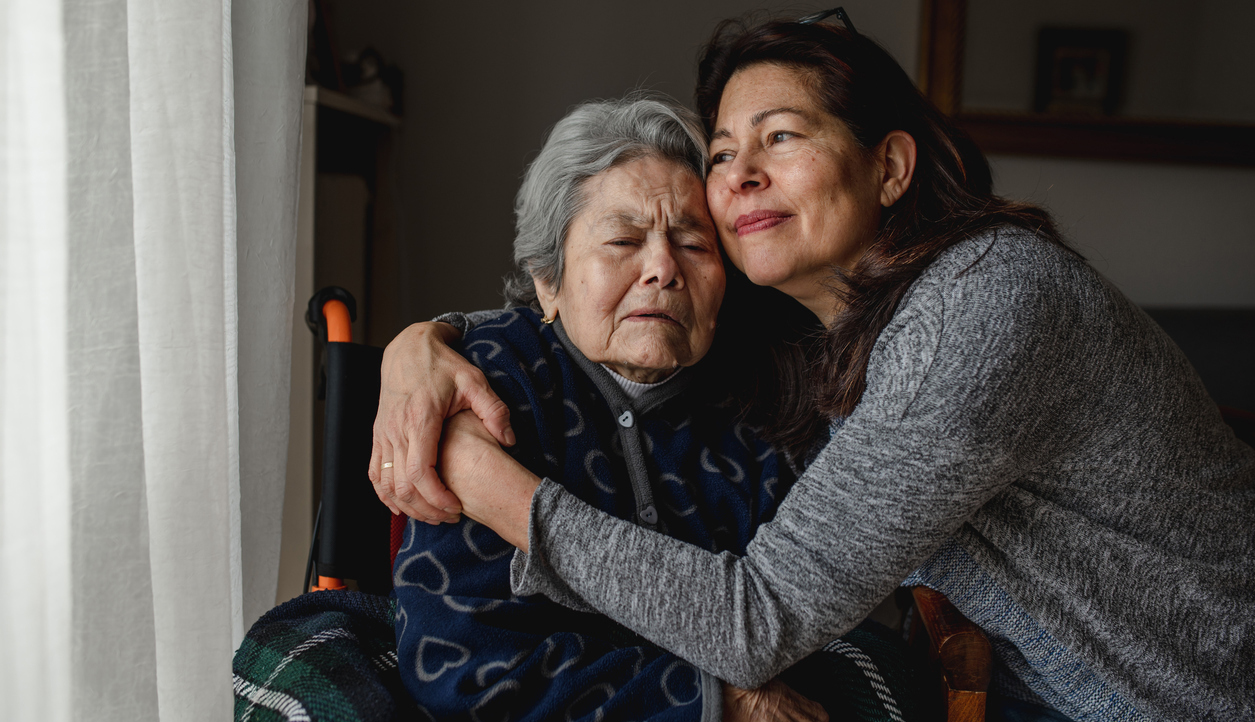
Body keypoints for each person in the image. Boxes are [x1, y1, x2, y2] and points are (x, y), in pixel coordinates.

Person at [372, 15, 1255, 722]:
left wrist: (478, 475)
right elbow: (598, 308)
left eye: (780, 136)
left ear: (889, 167)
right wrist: (423, 343)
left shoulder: (983, 306)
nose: (742, 175)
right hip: (1053, 683)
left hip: (1185, 691)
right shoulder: (824, 327)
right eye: (722, 154)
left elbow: (753, 622)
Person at [390, 95, 925, 722]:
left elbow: (809, 631)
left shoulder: (772, 400)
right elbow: (464, 665)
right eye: (622, 240)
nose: (662, 269)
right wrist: (713, 700)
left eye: (695, 246)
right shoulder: (485, 385)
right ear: (547, 279)